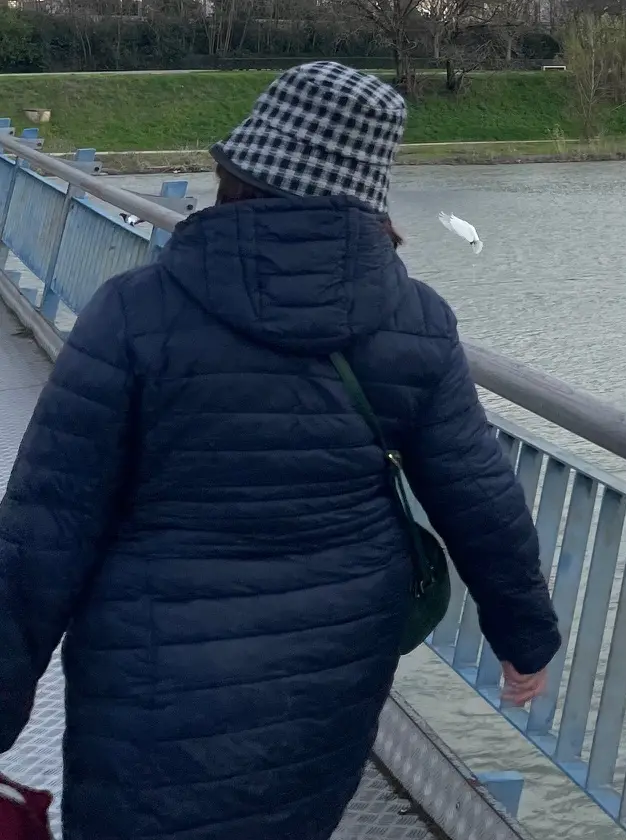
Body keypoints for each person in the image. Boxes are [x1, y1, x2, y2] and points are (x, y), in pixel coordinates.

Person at [0, 61, 561, 839]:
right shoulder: (416, 324)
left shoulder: (135, 312)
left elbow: (41, 530)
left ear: (239, 168)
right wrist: (525, 637)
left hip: (152, 671)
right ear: (371, 190)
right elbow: (481, 498)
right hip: (327, 675)